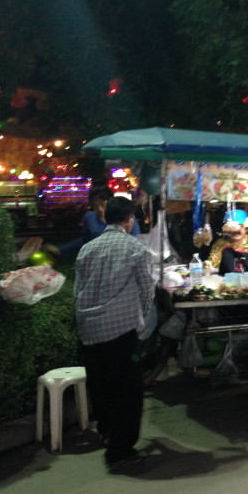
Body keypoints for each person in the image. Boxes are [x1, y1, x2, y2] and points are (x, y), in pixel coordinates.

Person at [73, 196, 156, 468]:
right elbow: (147, 290)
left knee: (101, 386)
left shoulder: (86, 250)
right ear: (129, 219)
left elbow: (78, 290)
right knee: (127, 392)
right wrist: (139, 320)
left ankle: (107, 433)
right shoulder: (136, 249)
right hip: (121, 331)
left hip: (90, 331)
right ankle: (120, 451)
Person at [47, 185, 141, 257]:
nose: (99, 209)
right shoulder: (90, 218)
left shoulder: (126, 217)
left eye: (103, 205)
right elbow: (84, 240)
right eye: (95, 206)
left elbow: (136, 242)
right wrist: (60, 249)